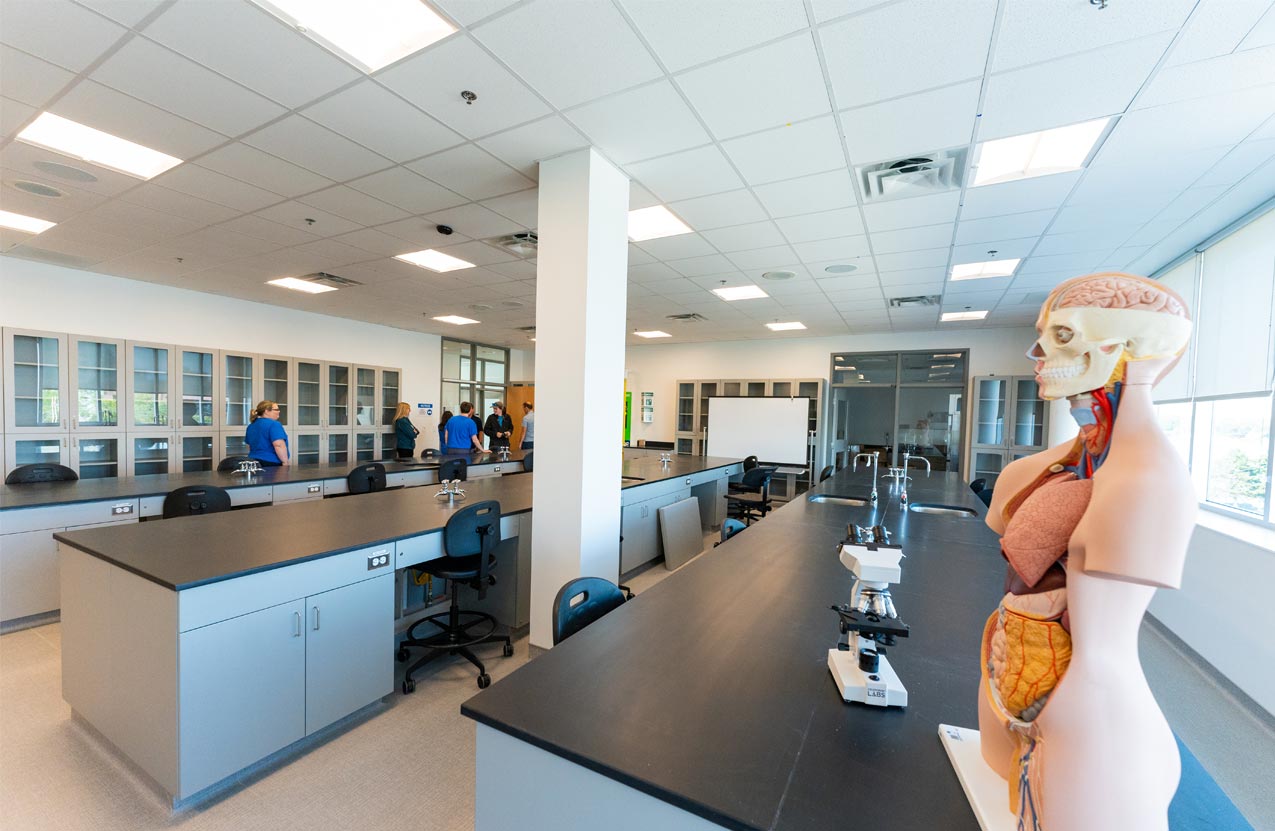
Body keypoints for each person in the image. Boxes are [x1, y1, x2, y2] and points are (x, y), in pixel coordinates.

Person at [244, 400, 289, 466]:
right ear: (266, 411)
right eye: (276, 409)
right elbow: (279, 445)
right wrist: (285, 462)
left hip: (253, 462)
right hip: (271, 463)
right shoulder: (274, 424)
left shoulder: (251, 425)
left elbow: (249, 446)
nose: (279, 411)